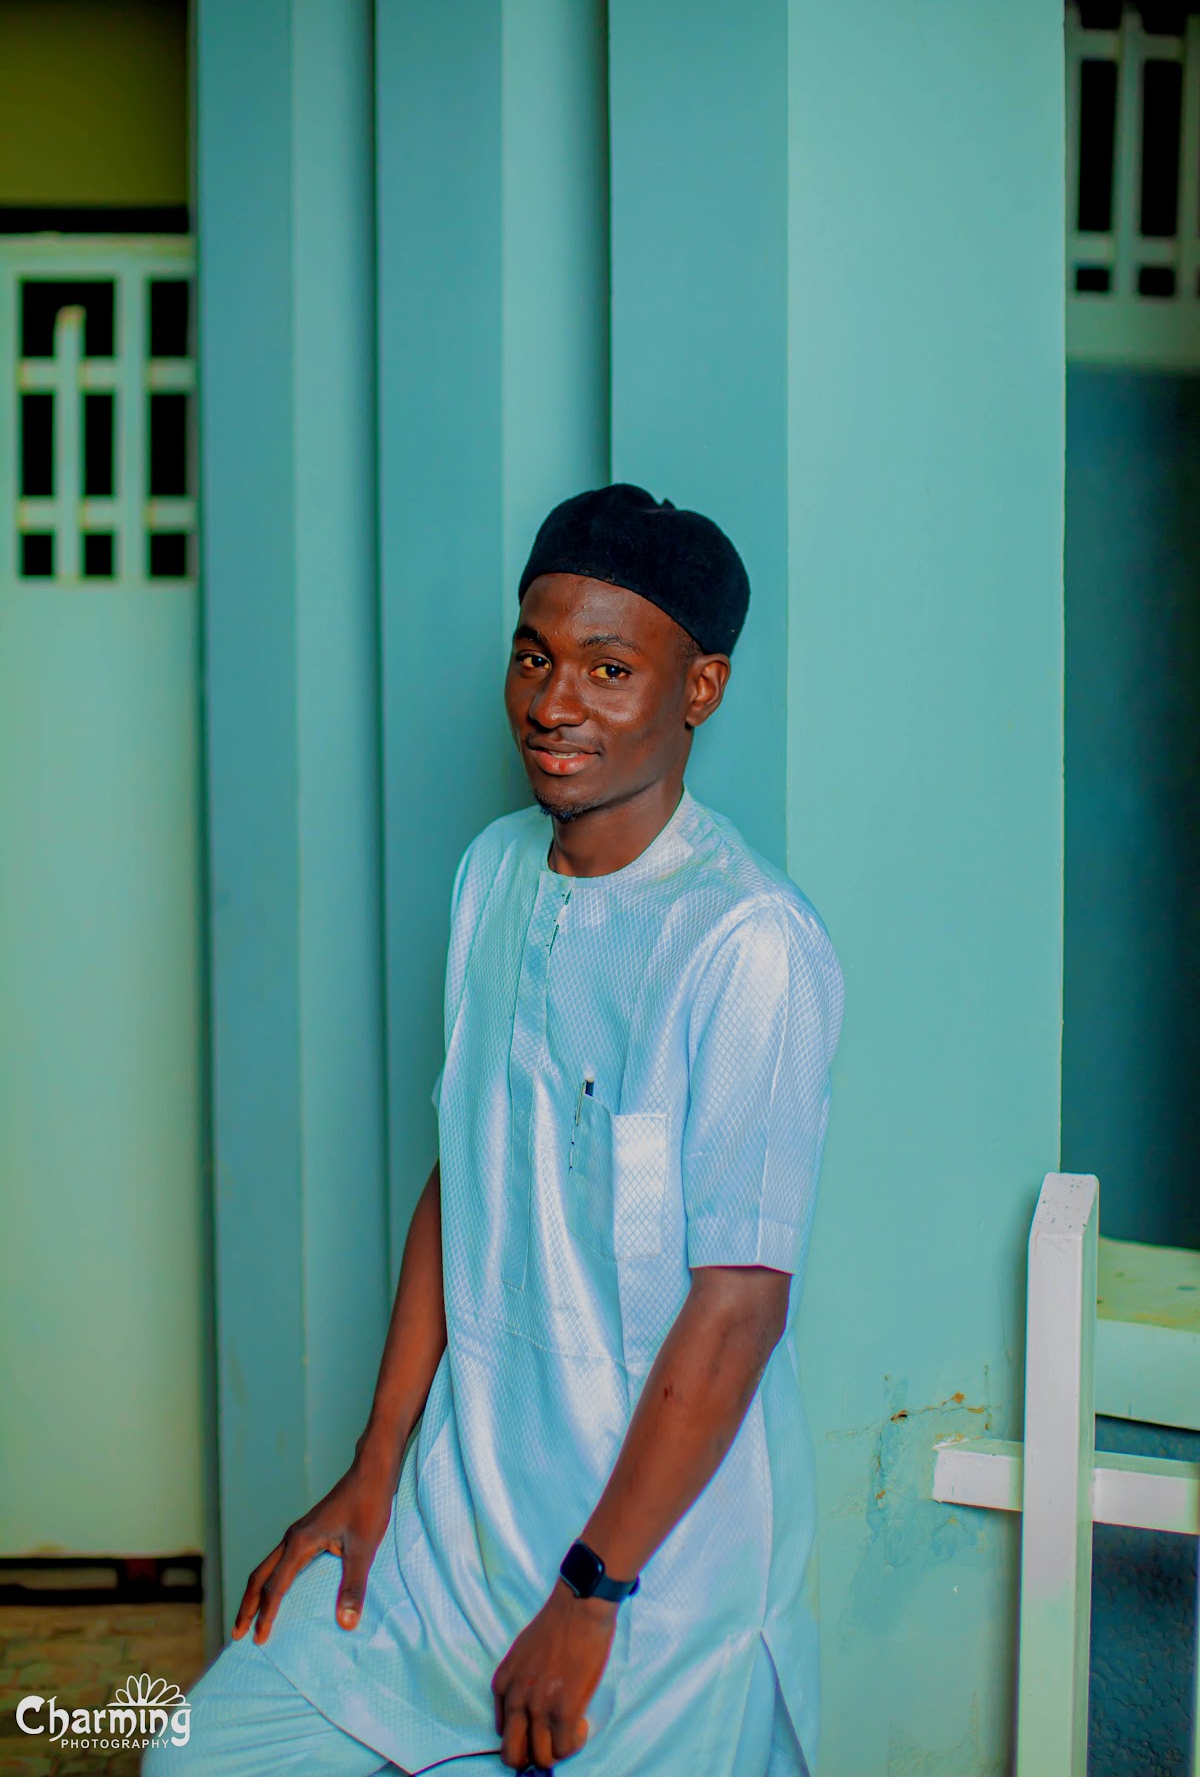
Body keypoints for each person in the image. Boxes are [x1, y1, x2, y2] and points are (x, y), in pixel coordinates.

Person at [145, 483, 843, 1777]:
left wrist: (593, 1592)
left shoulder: (748, 945)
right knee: (196, 1755)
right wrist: (375, 1465)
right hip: (457, 1530)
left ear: (700, 689)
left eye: (609, 669)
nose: (553, 702)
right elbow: (467, 1173)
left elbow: (739, 1307)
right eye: (534, 656)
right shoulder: (492, 874)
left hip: (650, 1573)